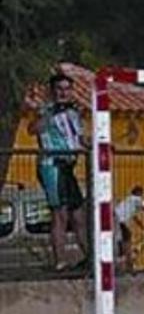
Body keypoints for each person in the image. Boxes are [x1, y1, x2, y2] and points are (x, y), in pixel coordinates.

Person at [29, 72, 88, 271]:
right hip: (51, 165)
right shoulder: (45, 109)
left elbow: (80, 139)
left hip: (68, 166)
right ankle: (60, 261)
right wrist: (51, 112)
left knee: (78, 215)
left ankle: (89, 257)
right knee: (60, 214)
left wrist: (99, 144)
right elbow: (33, 129)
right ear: (53, 91)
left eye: (67, 89)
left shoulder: (74, 112)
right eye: (59, 89)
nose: (63, 93)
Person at [114, 185, 144, 271]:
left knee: (124, 239)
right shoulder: (136, 199)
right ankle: (128, 263)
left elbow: (135, 218)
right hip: (119, 221)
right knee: (127, 239)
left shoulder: (129, 202)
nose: (142, 195)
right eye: (141, 193)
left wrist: (143, 227)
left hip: (116, 220)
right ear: (138, 193)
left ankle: (125, 257)